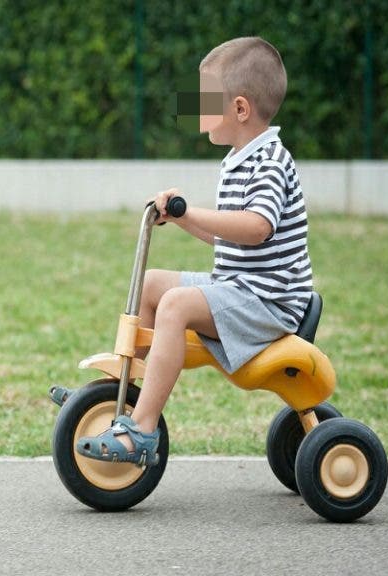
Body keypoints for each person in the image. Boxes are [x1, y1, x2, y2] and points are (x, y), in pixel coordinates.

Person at [76, 36, 313, 466]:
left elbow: (257, 228)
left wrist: (194, 211)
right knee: (152, 286)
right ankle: (126, 398)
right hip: (240, 287)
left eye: (205, 100)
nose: (197, 110)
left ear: (239, 109)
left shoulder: (271, 162)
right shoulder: (239, 159)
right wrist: (185, 218)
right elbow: (231, 238)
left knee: (175, 306)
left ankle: (143, 430)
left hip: (269, 302)